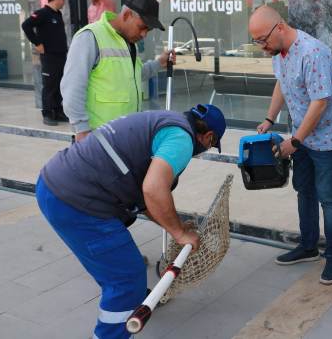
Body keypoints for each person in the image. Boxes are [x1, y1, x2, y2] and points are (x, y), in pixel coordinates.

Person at [36, 103, 226, 339]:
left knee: (117, 274)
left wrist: (174, 225)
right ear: (208, 136)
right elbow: (154, 189)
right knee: (126, 278)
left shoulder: (164, 120)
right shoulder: (182, 139)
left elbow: (145, 197)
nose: (206, 148)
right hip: (77, 200)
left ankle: (126, 300)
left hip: (55, 183)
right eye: (211, 144)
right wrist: (179, 233)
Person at [249, 5, 332, 285]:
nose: (262, 47)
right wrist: (269, 119)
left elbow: (320, 103)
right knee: (303, 190)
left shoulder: (312, 52)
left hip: (328, 137)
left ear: (279, 27)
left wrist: (294, 142)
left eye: (263, 40)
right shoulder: (279, 52)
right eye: (257, 41)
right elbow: (281, 84)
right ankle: (308, 246)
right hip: (302, 136)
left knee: (328, 196)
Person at [61, 0, 172, 142]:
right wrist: (82, 130)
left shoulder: (129, 43)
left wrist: (159, 64)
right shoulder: (90, 37)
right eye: (142, 27)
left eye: (148, 30)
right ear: (126, 15)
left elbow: (133, 75)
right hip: (97, 138)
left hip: (126, 135)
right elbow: (72, 87)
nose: (144, 34)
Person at [21, 0, 69, 126]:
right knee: (49, 86)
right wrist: (37, 43)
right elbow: (26, 25)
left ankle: (58, 111)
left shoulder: (57, 14)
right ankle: (47, 114)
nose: (63, 2)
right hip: (49, 57)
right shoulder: (42, 13)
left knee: (60, 85)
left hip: (61, 56)